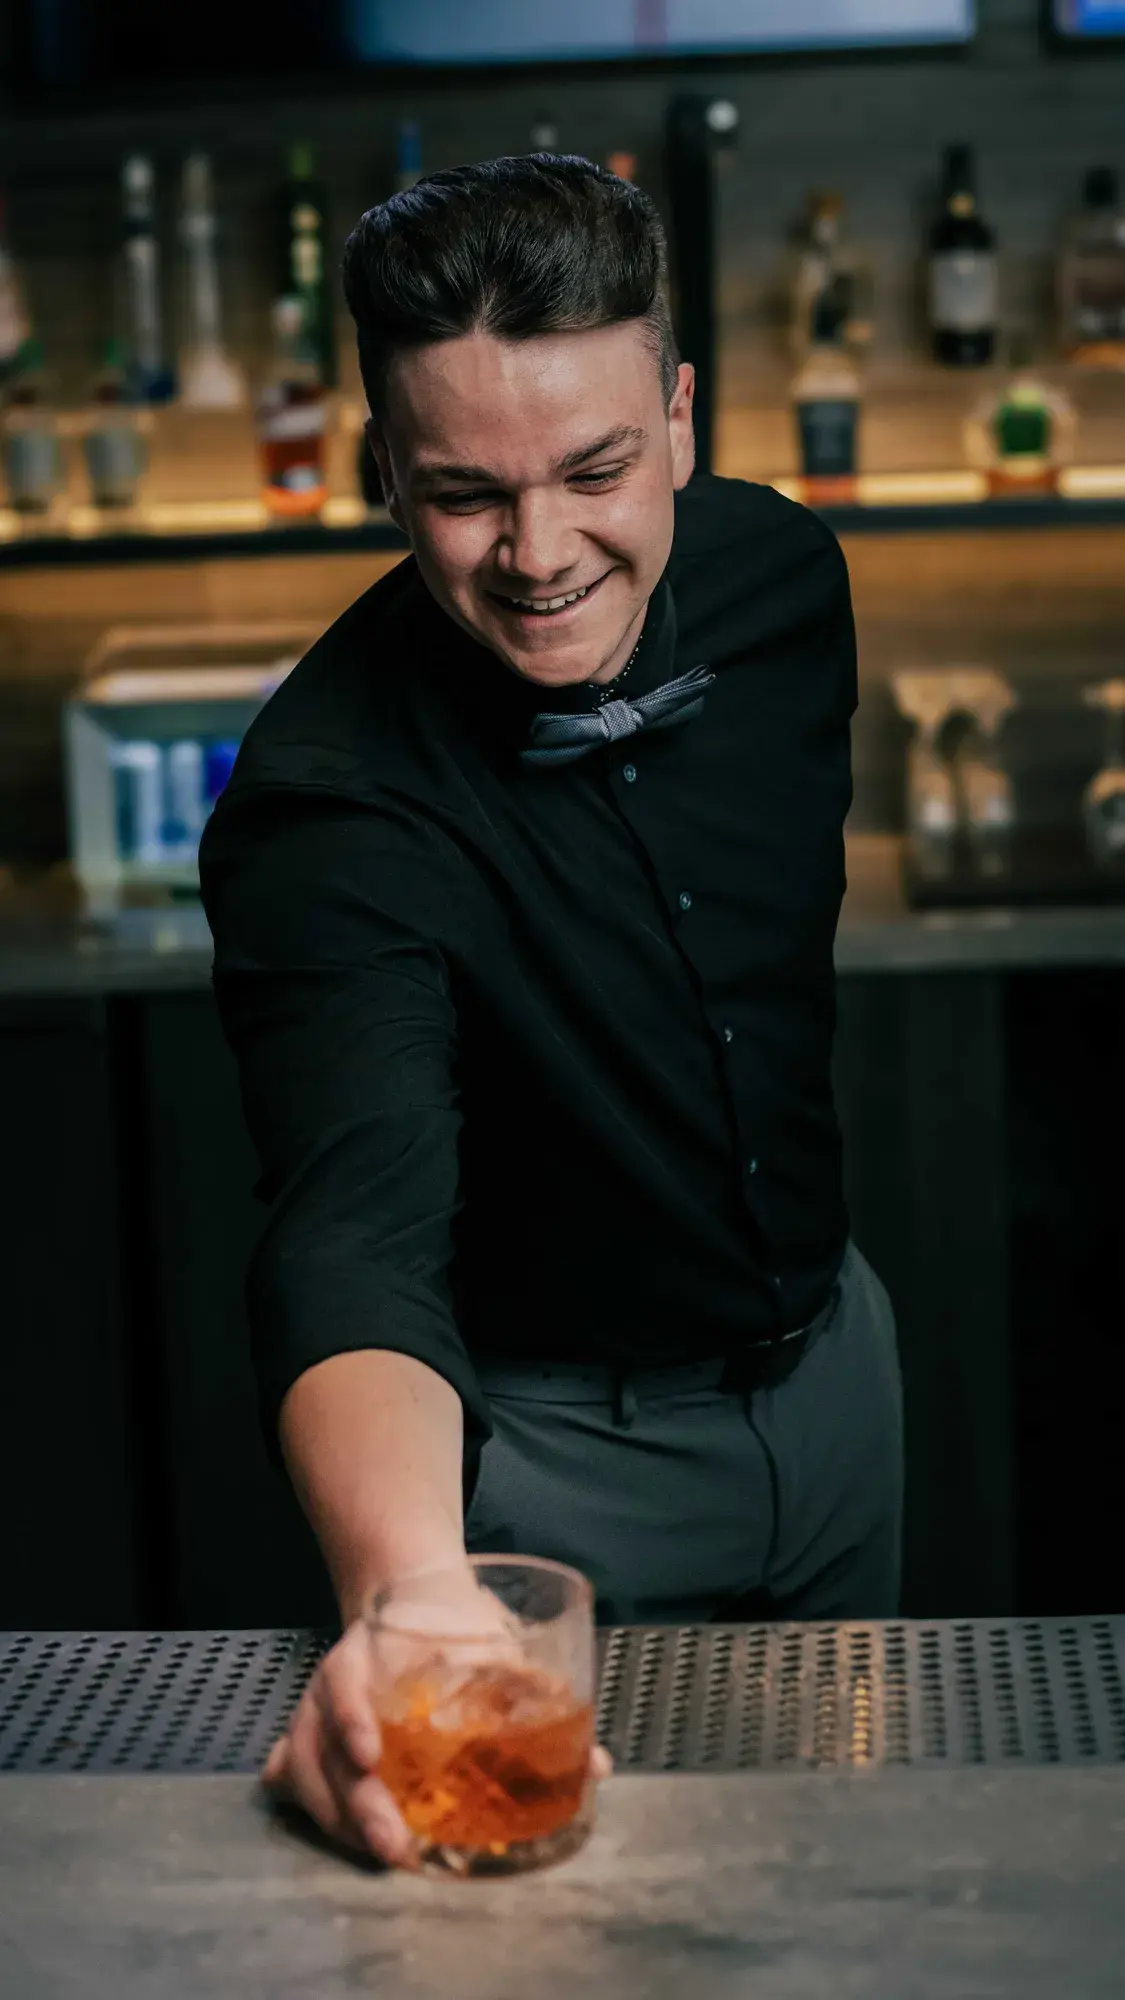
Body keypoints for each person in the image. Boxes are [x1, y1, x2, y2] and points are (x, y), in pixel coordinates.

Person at [200, 154, 903, 1864]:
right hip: (545, 1475)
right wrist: (415, 1585)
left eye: (595, 470)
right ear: (384, 476)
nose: (538, 554)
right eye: (463, 495)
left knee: (864, 1880)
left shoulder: (786, 587)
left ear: (677, 416)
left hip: (838, 1379)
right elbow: (352, 1230)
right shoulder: (328, 802)